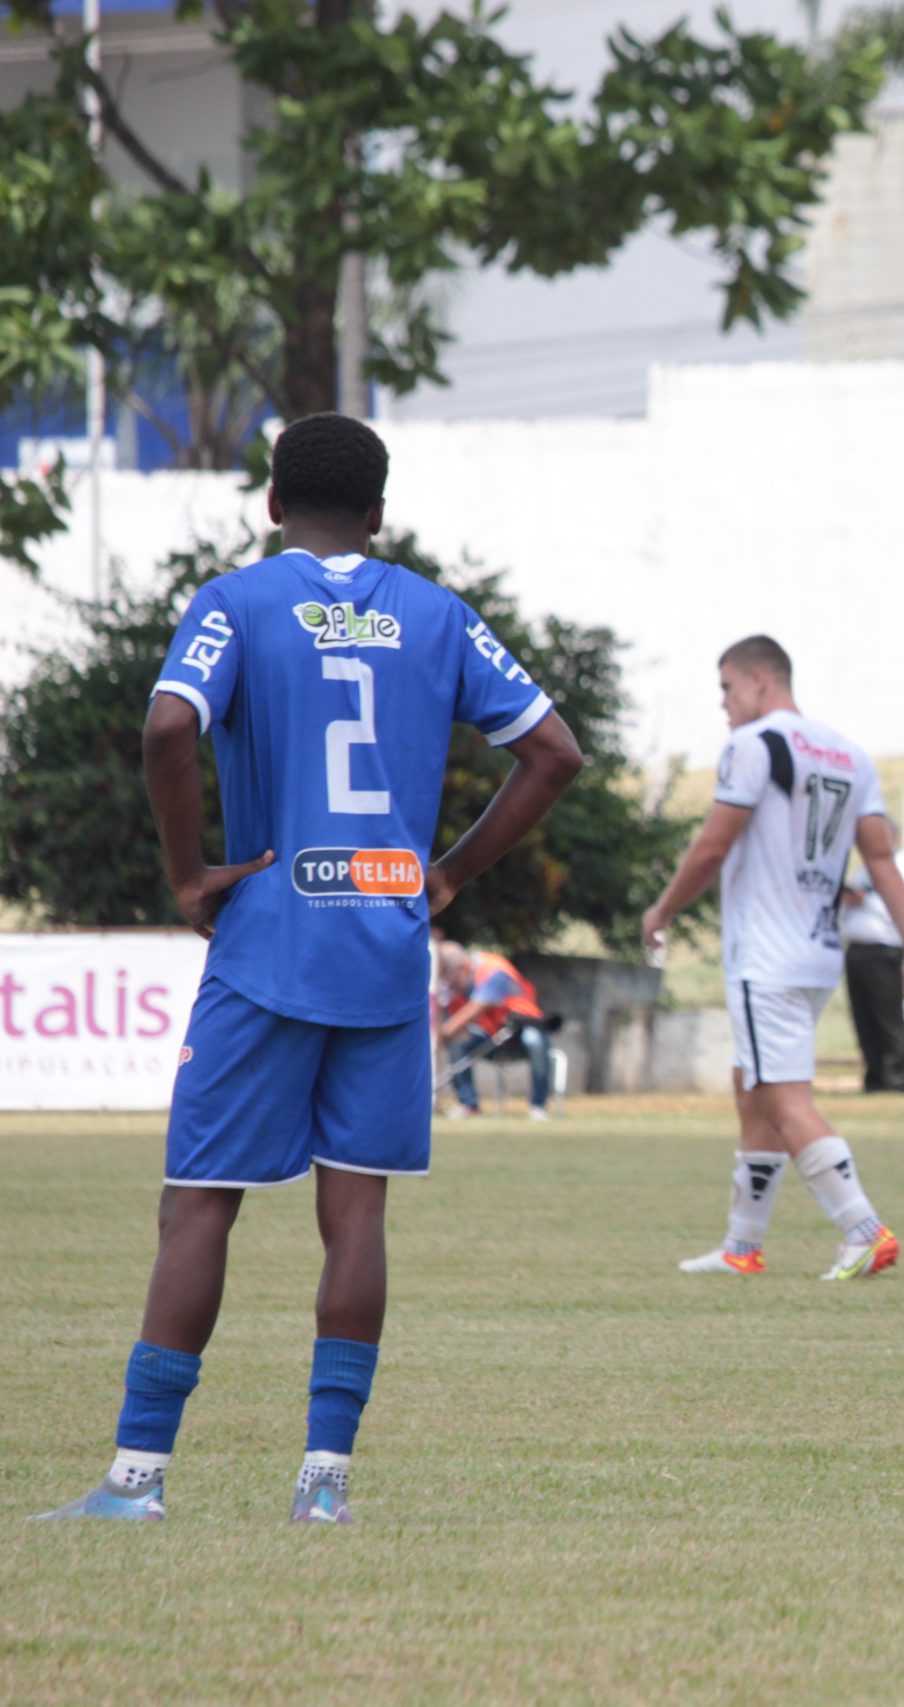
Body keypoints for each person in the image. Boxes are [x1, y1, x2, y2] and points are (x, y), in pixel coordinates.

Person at [35, 412, 583, 1524]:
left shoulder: (235, 602)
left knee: (200, 1208)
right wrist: (447, 875)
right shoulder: (436, 614)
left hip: (270, 943)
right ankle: (322, 1487)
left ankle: (137, 1483)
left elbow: (166, 730)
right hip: (383, 947)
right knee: (357, 1214)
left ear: (273, 504)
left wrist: (192, 876)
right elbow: (555, 752)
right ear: (378, 516)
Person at [642, 636, 904, 1282]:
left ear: (757, 678)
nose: (723, 704)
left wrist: (661, 910)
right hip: (819, 954)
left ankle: (863, 1229)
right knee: (753, 1088)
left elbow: (715, 844)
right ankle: (742, 1245)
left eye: (725, 688)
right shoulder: (851, 754)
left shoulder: (752, 746)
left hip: (765, 956)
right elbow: (881, 858)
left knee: (783, 1095)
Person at [837, 817, 904, 1092]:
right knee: (863, 1017)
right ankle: (874, 1075)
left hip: (885, 949)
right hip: (857, 949)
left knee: (888, 1016)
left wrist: (866, 900)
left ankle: (896, 1078)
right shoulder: (863, 870)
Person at [434, 934, 555, 1120]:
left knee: (535, 1040)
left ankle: (538, 1106)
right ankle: (468, 1104)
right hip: (492, 1033)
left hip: (520, 1028)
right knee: (460, 1041)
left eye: (451, 979)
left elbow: (475, 1009)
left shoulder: (492, 969)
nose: (451, 986)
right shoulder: (459, 981)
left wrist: (438, 1037)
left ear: (462, 969)